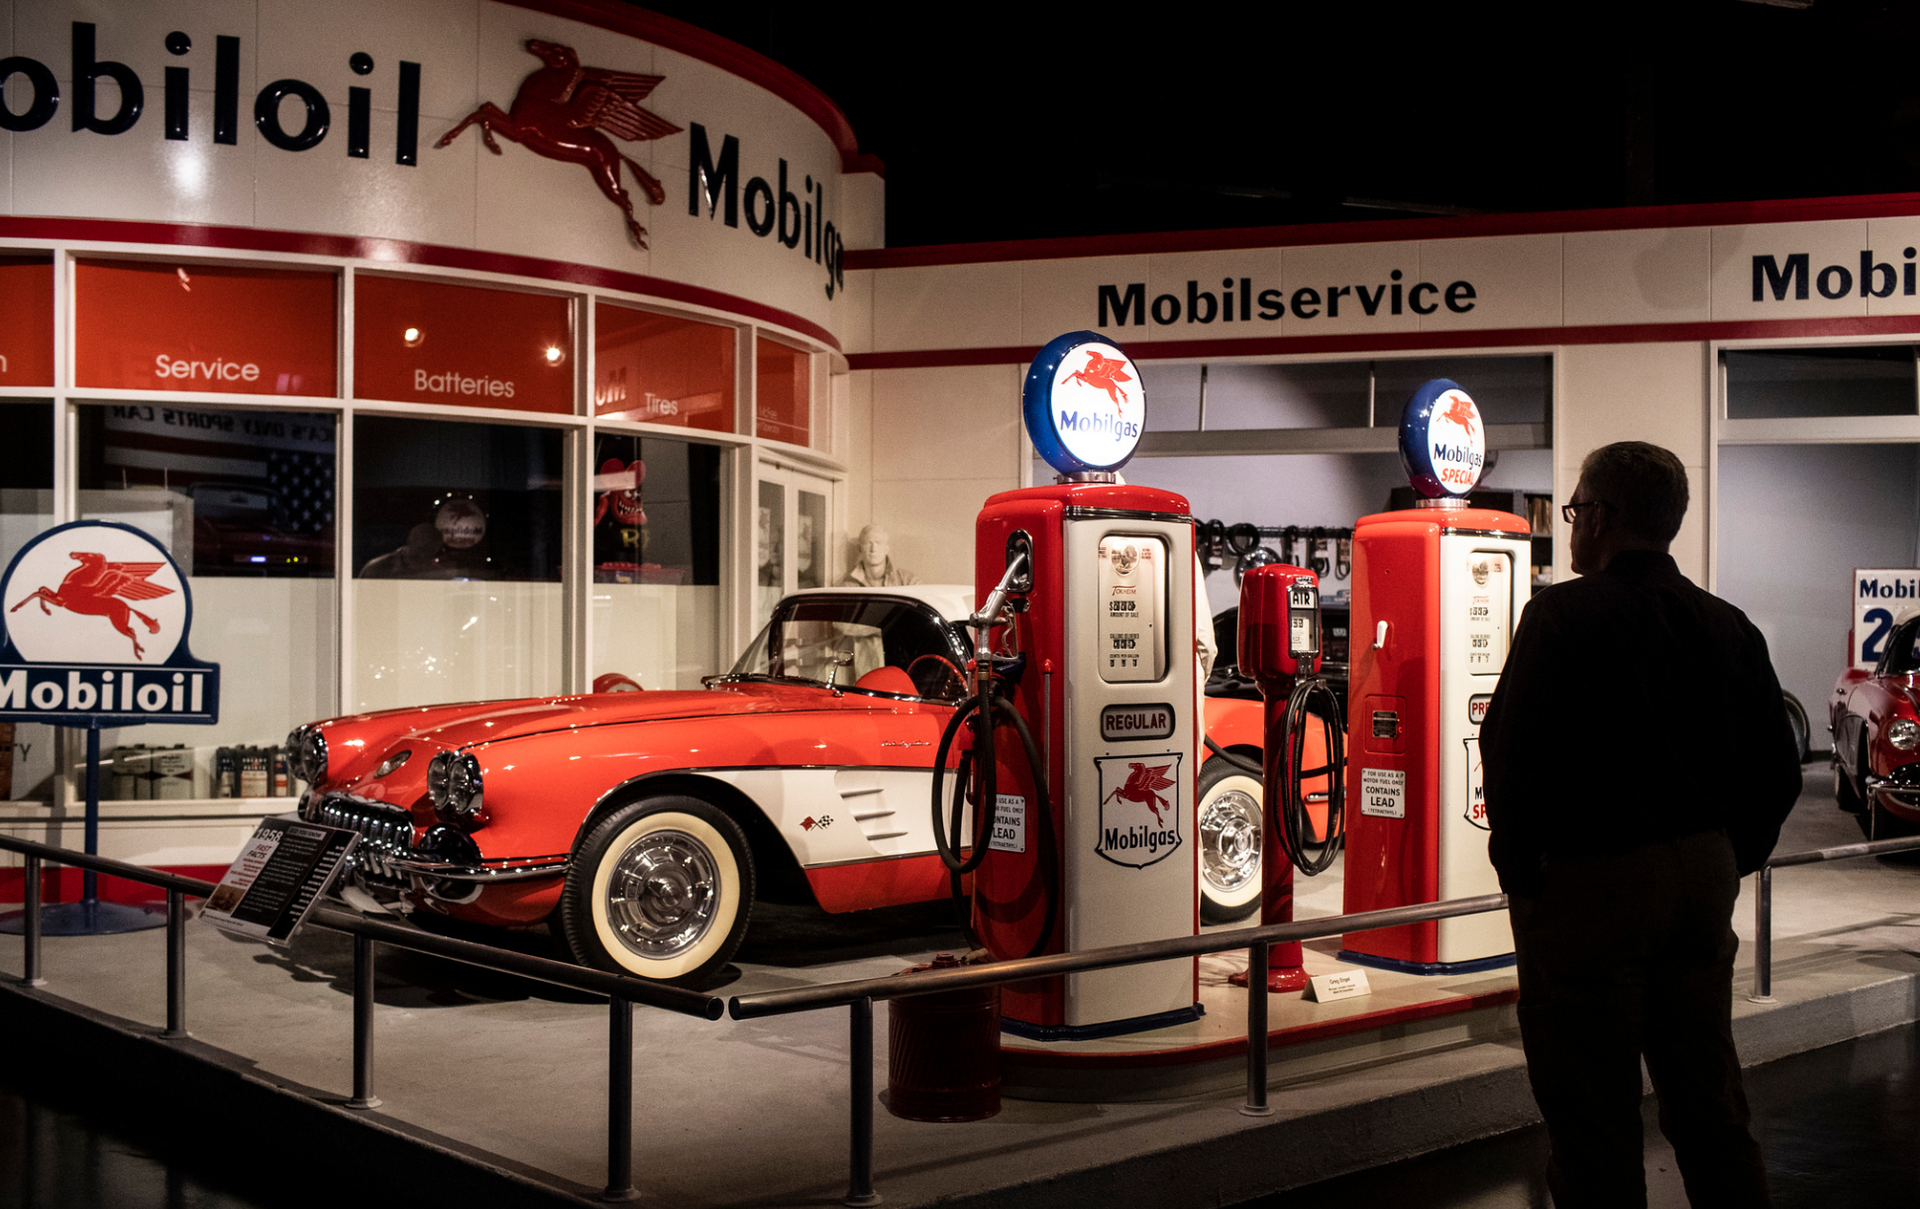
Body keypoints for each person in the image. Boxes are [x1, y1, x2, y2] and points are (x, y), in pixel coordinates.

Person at [1479, 441, 1801, 1208]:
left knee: (1593, 1117)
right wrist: (1726, 854)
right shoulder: (1728, 625)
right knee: (1710, 1099)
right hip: (1702, 879)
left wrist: (1525, 879)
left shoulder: (1560, 617)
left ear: (1603, 517)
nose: (1572, 525)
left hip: (1592, 887)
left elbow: (1511, 757)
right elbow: (1778, 768)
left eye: (1575, 510)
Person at [841, 524, 918, 586]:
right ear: (860, 549)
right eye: (868, 543)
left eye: (878, 543)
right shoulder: (849, 585)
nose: (873, 549)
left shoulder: (908, 581)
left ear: (886, 549)